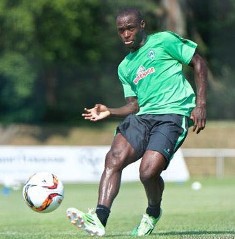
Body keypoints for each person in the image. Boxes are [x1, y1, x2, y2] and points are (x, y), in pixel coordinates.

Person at [66, 8, 207, 237]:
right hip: (142, 118)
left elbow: (199, 63)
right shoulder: (125, 67)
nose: (125, 34)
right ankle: (99, 218)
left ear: (142, 25)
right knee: (113, 158)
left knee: (148, 172)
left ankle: (152, 212)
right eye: (121, 30)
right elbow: (134, 105)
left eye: (130, 28)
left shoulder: (164, 40)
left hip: (172, 115)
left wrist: (200, 104)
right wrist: (109, 111)